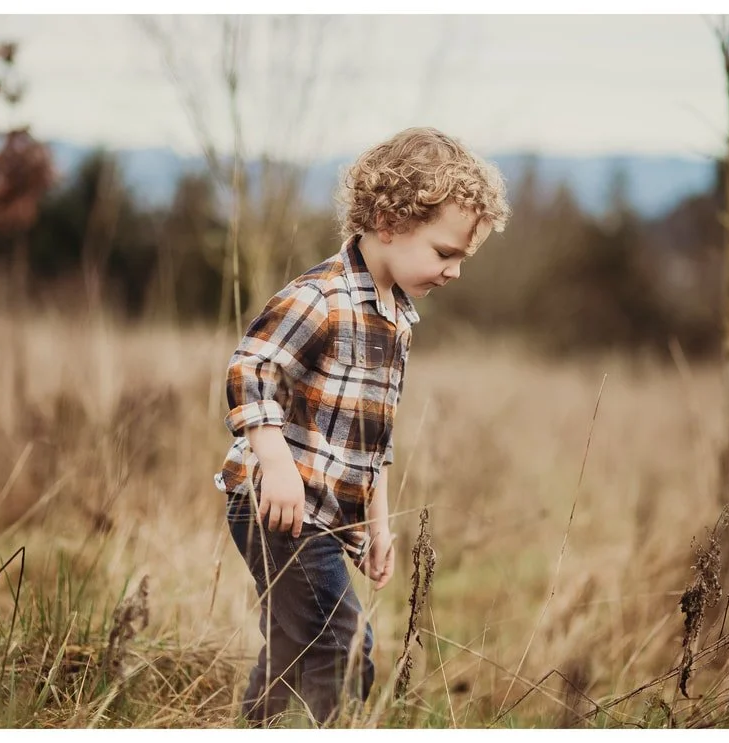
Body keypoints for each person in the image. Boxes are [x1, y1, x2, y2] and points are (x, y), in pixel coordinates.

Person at [214, 127, 511, 726]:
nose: (453, 272)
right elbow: (251, 370)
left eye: (461, 258)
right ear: (386, 221)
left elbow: (371, 440)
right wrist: (275, 467)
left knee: (294, 645)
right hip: (278, 510)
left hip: (326, 521)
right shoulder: (321, 298)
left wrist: (377, 529)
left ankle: (257, 726)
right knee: (344, 644)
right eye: (445, 253)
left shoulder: (396, 316)